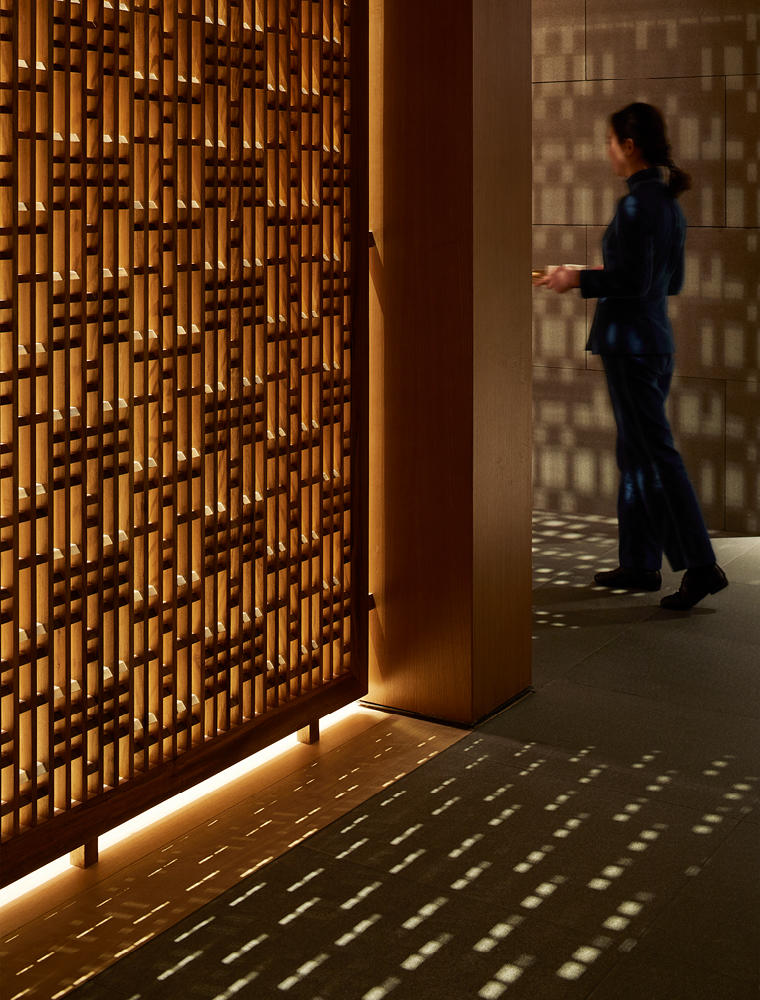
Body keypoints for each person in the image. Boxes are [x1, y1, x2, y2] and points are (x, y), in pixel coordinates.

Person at [535, 101, 727, 611]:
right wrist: (600, 270)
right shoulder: (668, 205)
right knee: (637, 452)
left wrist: (576, 276)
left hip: (631, 346)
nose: (608, 151)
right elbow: (669, 281)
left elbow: (630, 280)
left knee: (655, 453)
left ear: (629, 146)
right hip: (654, 341)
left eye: (611, 142)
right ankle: (640, 563)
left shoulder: (637, 206)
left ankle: (700, 564)